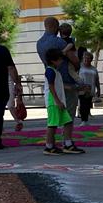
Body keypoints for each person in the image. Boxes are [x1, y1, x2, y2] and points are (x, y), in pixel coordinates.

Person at [36, 18, 82, 152]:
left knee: (64, 119)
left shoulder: (39, 43)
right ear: (56, 27)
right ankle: (53, 145)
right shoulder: (59, 42)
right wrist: (75, 66)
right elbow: (74, 59)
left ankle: (65, 143)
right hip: (62, 86)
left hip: (58, 87)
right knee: (58, 121)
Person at [43, 48, 84, 155]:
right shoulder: (50, 71)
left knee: (68, 121)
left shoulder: (55, 71)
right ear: (53, 60)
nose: (61, 61)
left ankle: (68, 144)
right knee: (52, 124)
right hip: (53, 102)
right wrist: (57, 101)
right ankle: (49, 146)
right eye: (59, 59)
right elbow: (51, 87)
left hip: (59, 101)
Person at [58, 23, 81, 122]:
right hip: (70, 63)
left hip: (69, 63)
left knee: (72, 72)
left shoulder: (67, 41)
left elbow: (71, 45)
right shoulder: (67, 40)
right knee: (72, 72)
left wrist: (64, 51)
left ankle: (80, 82)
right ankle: (80, 83)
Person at [77, 52, 99, 124]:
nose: (86, 59)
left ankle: (85, 119)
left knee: (88, 105)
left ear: (91, 59)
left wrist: (98, 89)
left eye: (88, 58)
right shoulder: (79, 67)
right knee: (83, 104)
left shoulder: (94, 69)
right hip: (82, 88)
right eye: (85, 58)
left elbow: (97, 79)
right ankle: (83, 120)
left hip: (91, 89)